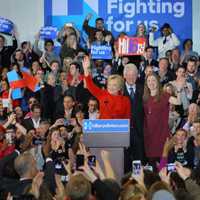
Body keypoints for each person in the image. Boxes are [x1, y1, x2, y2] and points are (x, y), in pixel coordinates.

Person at [143, 73, 181, 166]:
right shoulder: (144, 97)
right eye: (148, 81)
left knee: (163, 164)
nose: (151, 83)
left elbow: (178, 102)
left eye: (153, 80)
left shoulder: (164, 95)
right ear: (146, 83)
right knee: (152, 165)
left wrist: (179, 89)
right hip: (149, 135)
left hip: (162, 134)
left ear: (157, 82)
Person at [123, 63, 145, 168]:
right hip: (123, 132)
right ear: (124, 76)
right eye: (129, 75)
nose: (131, 77)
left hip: (139, 132)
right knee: (125, 163)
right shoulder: (119, 91)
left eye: (134, 75)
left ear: (137, 76)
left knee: (139, 163)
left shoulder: (144, 89)